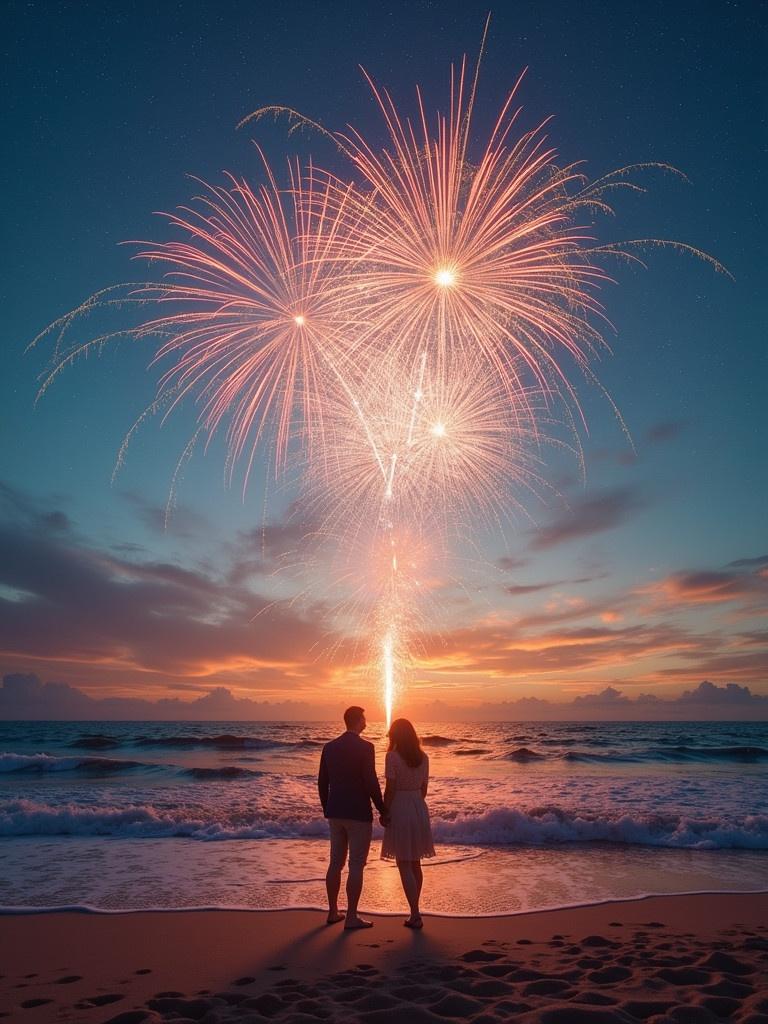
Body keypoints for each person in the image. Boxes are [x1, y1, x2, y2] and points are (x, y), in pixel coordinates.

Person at [318, 705, 388, 930]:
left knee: (335, 863)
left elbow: (322, 782)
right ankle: (351, 917)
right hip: (358, 813)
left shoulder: (329, 747)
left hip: (335, 812)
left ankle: (332, 912)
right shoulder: (366, 747)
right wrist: (382, 809)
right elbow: (370, 781)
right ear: (358, 721)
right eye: (364, 719)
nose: (366, 723)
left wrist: (327, 807)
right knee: (356, 865)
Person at [381, 718, 435, 928]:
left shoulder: (392, 757)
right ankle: (415, 911)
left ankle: (415, 913)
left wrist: (385, 811)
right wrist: (415, 802)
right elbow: (424, 789)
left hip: (400, 806)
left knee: (403, 862)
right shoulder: (424, 757)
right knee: (415, 862)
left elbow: (390, 788)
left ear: (395, 736)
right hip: (418, 807)